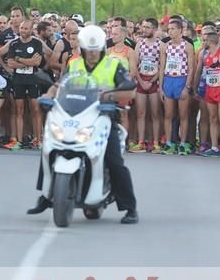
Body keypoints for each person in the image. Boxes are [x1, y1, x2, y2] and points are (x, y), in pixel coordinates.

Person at [28, 25, 138, 224]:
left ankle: (130, 208)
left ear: (102, 49)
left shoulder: (113, 65)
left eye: (96, 50)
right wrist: (48, 96)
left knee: (114, 161)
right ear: (83, 49)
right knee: (49, 147)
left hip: (103, 118)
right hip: (74, 116)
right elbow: (60, 85)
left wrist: (109, 96)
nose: (93, 54)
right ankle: (46, 195)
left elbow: (130, 91)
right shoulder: (75, 64)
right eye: (89, 50)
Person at [0, 20, 45, 149]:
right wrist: (28, 61)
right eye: (21, 28)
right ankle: (18, 141)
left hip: (33, 79)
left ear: (31, 29)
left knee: (35, 109)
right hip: (18, 80)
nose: (23, 31)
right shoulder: (14, 43)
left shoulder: (36, 43)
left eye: (26, 28)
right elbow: (11, 63)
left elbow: (37, 62)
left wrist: (19, 59)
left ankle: (38, 140)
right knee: (19, 110)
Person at [195, 26, 220, 157]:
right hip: (209, 88)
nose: (202, 42)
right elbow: (199, 72)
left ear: (210, 41)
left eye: (204, 40)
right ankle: (214, 147)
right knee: (212, 118)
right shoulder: (203, 54)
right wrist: (195, 88)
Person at [158, 18, 194, 155]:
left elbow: (192, 68)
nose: (170, 31)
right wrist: (160, 87)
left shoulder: (187, 46)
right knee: (168, 114)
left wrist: (187, 87)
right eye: (169, 29)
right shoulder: (165, 46)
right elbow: (162, 67)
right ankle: (169, 142)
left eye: (173, 29)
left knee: (183, 115)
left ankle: (183, 143)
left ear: (180, 30)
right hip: (169, 80)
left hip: (181, 80)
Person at [130, 18, 161, 153]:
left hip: (153, 81)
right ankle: (141, 142)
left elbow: (162, 65)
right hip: (141, 80)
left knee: (155, 113)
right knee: (140, 113)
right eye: (143, 27)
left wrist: (153, 80)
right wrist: (142, 81)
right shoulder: (140, 44)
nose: (144, 30)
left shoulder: (161, 45)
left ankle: (155, 143)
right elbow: (135, 64)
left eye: (147, 27)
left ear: (154, 29)